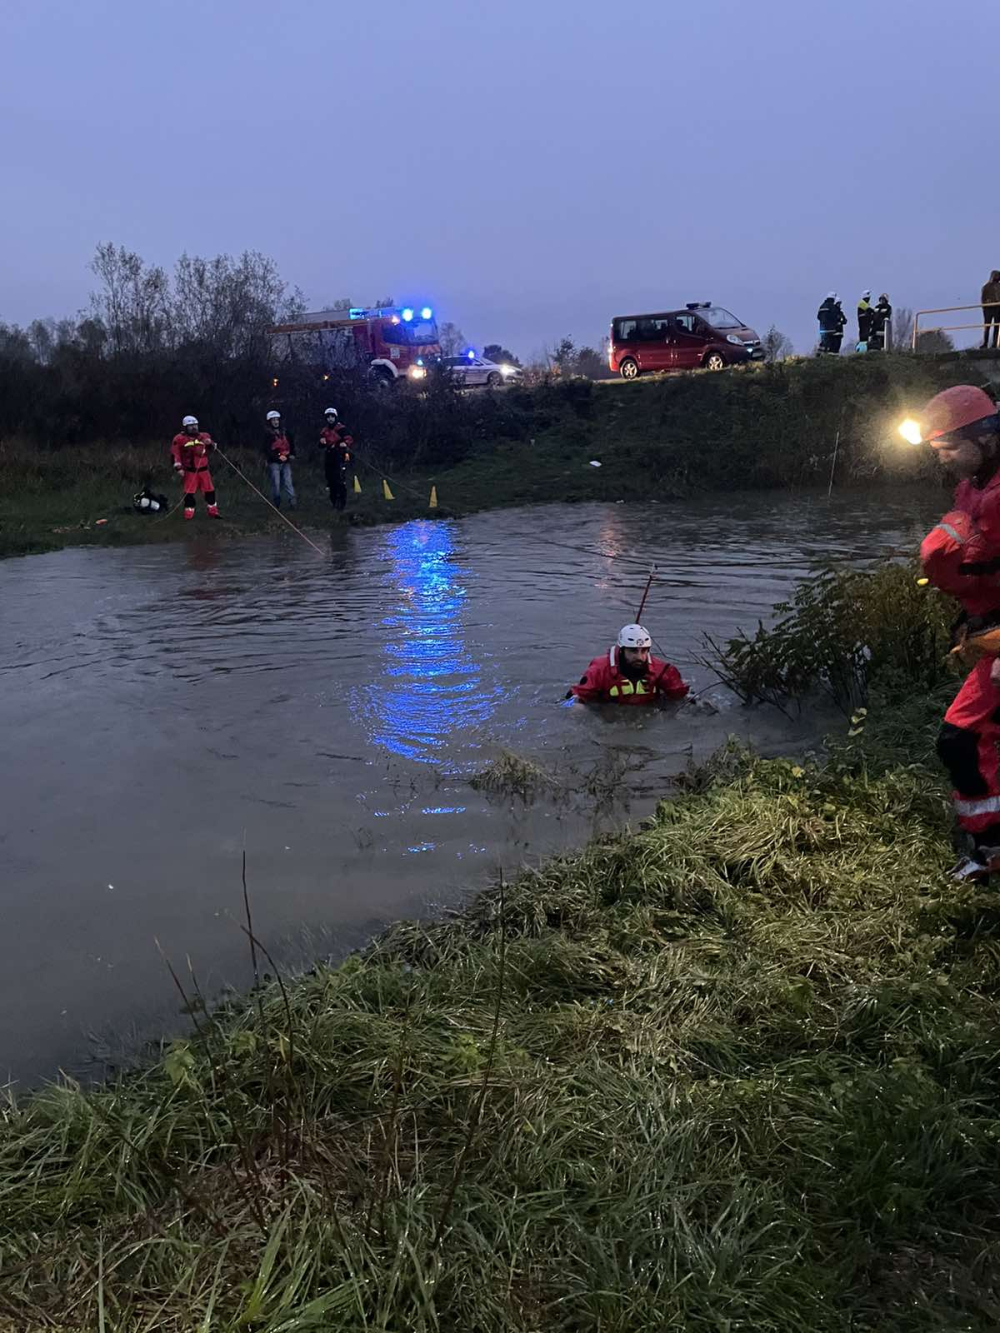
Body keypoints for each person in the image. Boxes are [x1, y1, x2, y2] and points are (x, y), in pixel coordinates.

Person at [916, 385, 1000, 879]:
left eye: (949, 448)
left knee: (960, 738)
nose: (944, 458)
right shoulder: (972, 486)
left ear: (983, 437)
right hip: (989, 632)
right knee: (964, 737)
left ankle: (989, 847)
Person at [570, 624, 689, 705]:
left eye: (644, 651)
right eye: (633, 651)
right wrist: (574, 708)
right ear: (621, 650)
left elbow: (681, 696)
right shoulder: (599, 670)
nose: (639, 657)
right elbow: (576, 697)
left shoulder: (662, 670)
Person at [170, 415, 220, 520]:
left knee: (209, 491)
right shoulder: (179, 439)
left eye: (195, 425)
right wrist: (178, 467)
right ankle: (189, 513)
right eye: (191, 426)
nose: (194, 428)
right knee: (189, 493)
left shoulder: (204, 436)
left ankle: (213, 511)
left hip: (204, 470)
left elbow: (212, 448)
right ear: (185, 427)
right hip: (190, 471)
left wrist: (210, 443)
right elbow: (175, 454)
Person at [319, 407, 354, 512]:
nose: (330, 419)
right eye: (328, 417)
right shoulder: (324, 430)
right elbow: (320, 445)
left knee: (339, 480)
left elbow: (349, 439)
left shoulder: (341, 428)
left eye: (332, 417)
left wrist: (344, 443)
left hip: (340, 456)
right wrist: (321, 442)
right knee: (330, 481)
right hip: (329, 456)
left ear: (335, 417)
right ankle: (334, 502)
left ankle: (342, 504)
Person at [263, 410, 296, 509]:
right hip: (274, 462)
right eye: (273, 420)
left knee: (288, 482)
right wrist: (277, 457)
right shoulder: (268, 435)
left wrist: (292, 454)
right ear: (270, 422)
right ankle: (277, 501)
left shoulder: (286, 432)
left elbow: (292, 445)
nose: (276, 422)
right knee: (276, 483)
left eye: (277, 420)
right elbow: (267, 449)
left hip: (286, 461)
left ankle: (292, 501)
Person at [981, 270, 1000, 349]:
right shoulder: (986, 287)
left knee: (996, 326)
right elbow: (983, 298)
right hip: (988, 308)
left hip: (997, 308)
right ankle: (985, 343)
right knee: (987, 326)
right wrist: (984, 308)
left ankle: (994, 344)